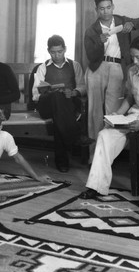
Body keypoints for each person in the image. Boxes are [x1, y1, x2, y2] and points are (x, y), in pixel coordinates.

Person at [80, 36, 139, 208]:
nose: (135, 61)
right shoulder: (131, 71)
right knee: (104, 135)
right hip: (135, 114)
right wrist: (116, 115)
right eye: (133, 57)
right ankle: (96, 186)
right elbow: (130, 98)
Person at [84, 0, 139, 160]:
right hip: (97, 68)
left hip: (118, 67)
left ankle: (109, 155)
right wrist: (99, 42)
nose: (106, 12)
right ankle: (94, 155)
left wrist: (131, 24)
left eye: (108, 7)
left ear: (113, 6)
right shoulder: (91, 30)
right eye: (102, 9)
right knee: (94, 111)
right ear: (96, 10)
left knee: (114, 111)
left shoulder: (120, 20)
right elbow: (91, 55)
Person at [32, 35, 93, 173]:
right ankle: (76, 136)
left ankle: (62, 162)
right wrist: (49, 93)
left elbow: (83, 87)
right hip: (47, 106)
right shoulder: (43, 67)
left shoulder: (74, 65)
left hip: (68, 105)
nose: (57, 55)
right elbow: (35, 95)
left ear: (65, 49)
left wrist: (74, 92)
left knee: (59, 116)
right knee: (57, 98)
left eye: (59, 51)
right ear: (48, 51)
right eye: (53, 52)